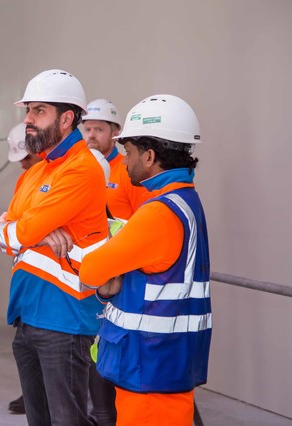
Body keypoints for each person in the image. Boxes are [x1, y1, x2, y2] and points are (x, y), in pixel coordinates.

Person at [0, 69, 108, 425]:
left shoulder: (81, 169)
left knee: (67, 420)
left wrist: (18, 231)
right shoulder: (33, 173)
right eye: (28, 111)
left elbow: (21, 233)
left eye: (38, 111)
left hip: (64, 319)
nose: (28, 120)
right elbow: (7, 238)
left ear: (67, 118)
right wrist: (1, 228)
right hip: (27, 315)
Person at [79, 94, 211, 426]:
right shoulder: (185, 202)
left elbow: (92, 269)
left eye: (129, 153)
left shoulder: (158, 214)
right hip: (165, 363)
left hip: (149, 367)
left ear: (150, 156)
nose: (124, 162)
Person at [4, 122, 41, 416]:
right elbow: (10, 231)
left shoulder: (65, 176)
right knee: (26, 349)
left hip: (59, 289)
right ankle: (31, 396)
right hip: (27, 284)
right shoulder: (24, 181)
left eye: (26, 159)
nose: (23, 166)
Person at [83, 98, 151, 220]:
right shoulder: (78, 169)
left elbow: (146, 220)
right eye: (87, 129)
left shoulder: (130, 171)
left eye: (99, 129)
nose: (91, 135)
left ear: (114, 135)